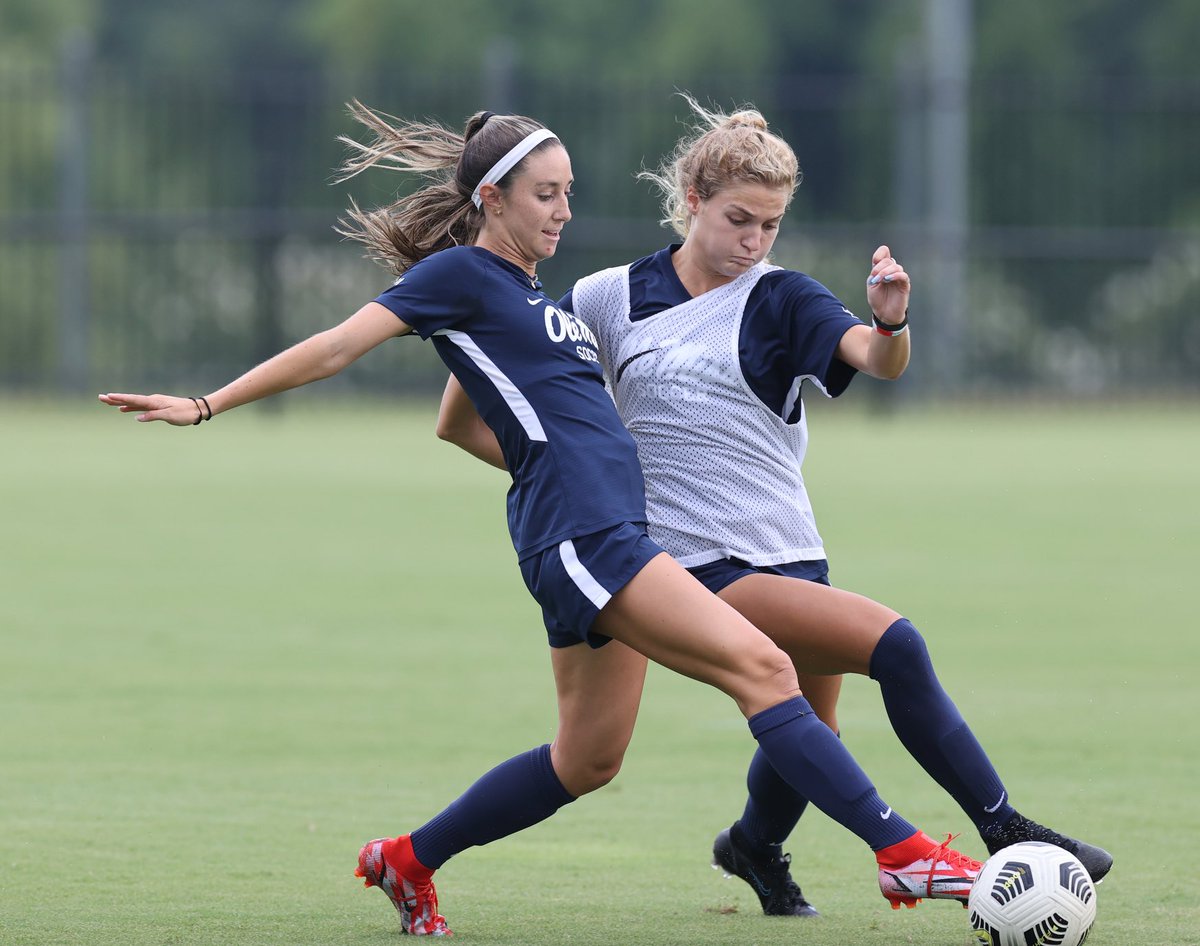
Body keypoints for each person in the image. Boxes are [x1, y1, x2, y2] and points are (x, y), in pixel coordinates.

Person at [100, 101, 984, 938]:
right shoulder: (457, 275)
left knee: (588, 759)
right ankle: (903, 853)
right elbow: (336, 346)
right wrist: (208, 403)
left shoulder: (525, 292)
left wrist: (548, 462)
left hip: (589, 532)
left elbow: (459, 421)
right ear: (493, 198)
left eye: (568, 192)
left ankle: (408, 860)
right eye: (546, 194)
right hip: (586, 536)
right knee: (764, 667)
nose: (564, 210)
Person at [437, 95, 1113, 922]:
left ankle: (751, 846)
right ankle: (1004, 828)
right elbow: (467, 417)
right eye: (738, 219)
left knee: (805, 737)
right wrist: (573, 477)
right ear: (693, 201)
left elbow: (876, 359)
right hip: (685, 560)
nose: (754, 240)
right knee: (895, 645)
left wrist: (892, 322)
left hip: (786, 547)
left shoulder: (783, 296)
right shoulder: (605, 298)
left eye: (770, 224)